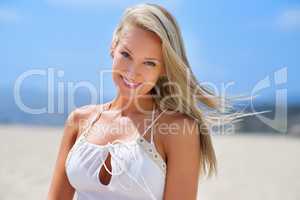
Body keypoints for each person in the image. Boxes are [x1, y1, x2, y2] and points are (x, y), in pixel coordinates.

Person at [47, 3, 219, 200]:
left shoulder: (179, 129)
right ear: (113, 46)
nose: (131, 72)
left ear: (164, 68)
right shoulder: (79, 120)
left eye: (149, 63)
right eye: (126, 55)